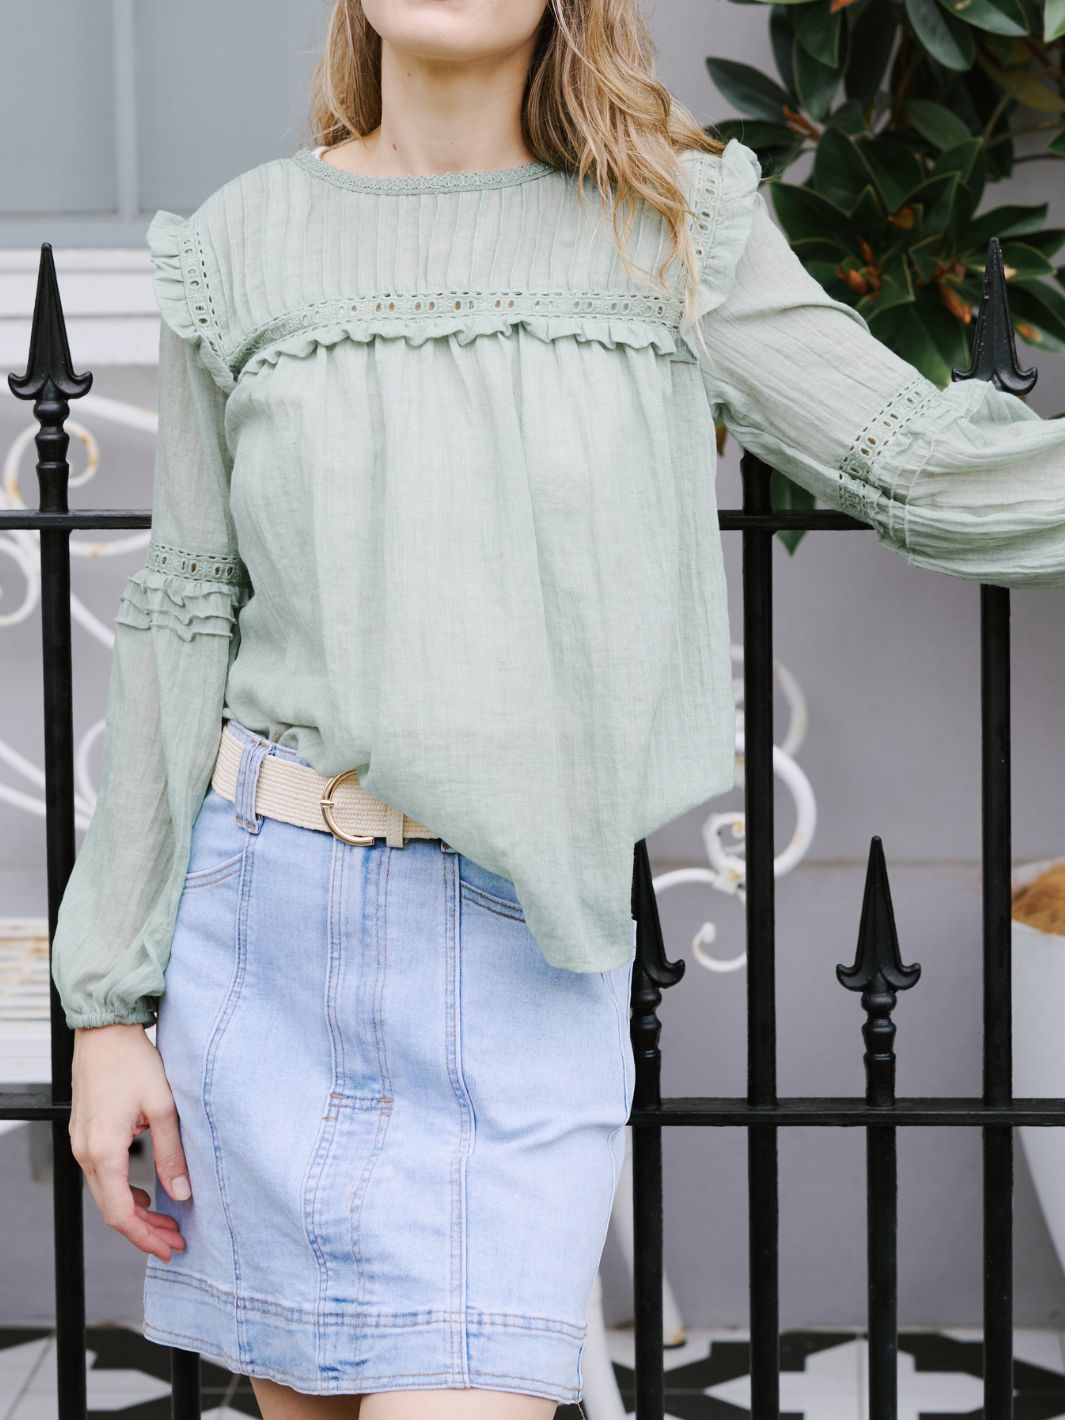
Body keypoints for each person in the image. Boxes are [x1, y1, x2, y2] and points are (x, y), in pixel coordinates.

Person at [49, 0, 1065, 1416]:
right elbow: (184, 613)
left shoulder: (672, 224)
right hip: (264, 936)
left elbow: (911, 461)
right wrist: (108, 1009)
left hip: (515, 953)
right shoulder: (241, 241)